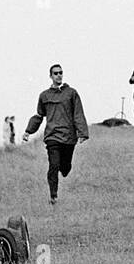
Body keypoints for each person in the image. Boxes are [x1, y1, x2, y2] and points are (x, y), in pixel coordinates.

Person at [24, 63, 88, 206]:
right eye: (55, 73)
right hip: (52, 136)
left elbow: (78, 113)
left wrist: (82, 133)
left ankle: (64, 169)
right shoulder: (44, 96)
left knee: (65, 168)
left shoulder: (71, 93)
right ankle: (53, 196)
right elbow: (39, 116)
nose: (59, 75)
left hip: (68, 137)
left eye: (60, 73)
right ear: (51, 76)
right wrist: (28, 131)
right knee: (53, 165)